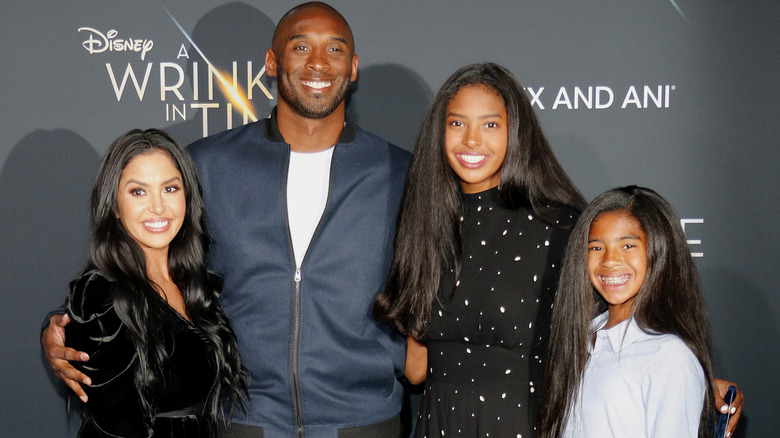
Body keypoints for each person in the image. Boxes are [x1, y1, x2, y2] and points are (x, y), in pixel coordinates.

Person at [43, 3, 410, 437]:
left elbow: (440, 284)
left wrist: (401, 355)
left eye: (334, 48)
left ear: (352, 68)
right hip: (244, 421)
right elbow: (142, 260)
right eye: (299, 45)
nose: (317, 61)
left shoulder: (400, 172)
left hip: (364, 421)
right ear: (272, 63)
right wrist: (62, 328)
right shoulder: (207, 164)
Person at [374, 63, 586, 438]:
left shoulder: (560, 228)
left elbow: (608, 334)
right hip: (438, 425)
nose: (472, 140)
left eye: (490, 125)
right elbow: (416, 368)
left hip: (524, 425)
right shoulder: (424, 225)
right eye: (457, 124)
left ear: (515, 132)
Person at [64, 129, 246, 437]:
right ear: (115, 207)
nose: (158, 207)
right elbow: (116, 427)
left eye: (170, 189)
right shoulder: (101, 298)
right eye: (138, 192)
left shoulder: (199, 285)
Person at [539, 186, 716, 437]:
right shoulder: (580, 341)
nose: (610, 260)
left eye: (628, 246)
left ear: (658, 251)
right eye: (597, 248)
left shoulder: (669, 357)